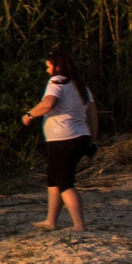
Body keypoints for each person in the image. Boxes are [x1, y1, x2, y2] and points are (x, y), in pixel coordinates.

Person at [22, 51, 94, 232]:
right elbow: (93, 116)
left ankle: (79, 225)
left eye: (49, 66)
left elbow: (48, 104)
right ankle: (51, 220)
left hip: (63, 138)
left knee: (65, 183)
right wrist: (92, 139)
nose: (47, 70)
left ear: (58, 66)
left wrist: (29, 115)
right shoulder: (82, 87)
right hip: (80, 136)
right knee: (54, 180)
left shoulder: (57, 81)